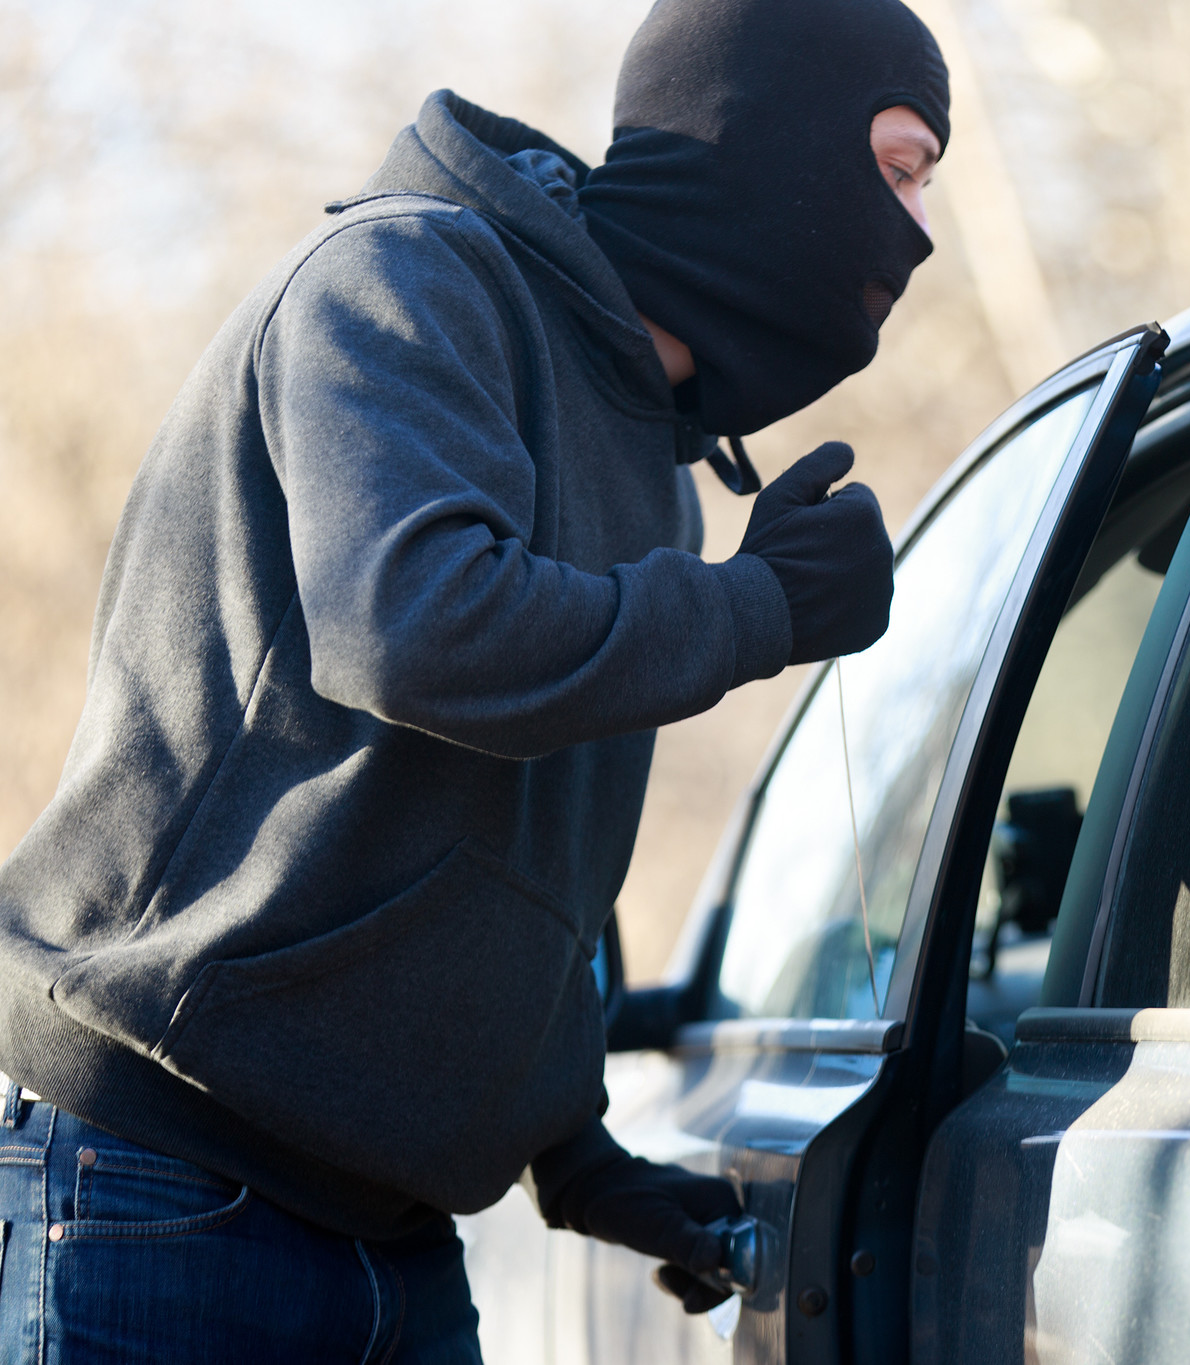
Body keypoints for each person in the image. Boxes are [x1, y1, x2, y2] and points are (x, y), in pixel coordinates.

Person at [0, 0, 948, 1358]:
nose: (913, 233)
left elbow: (524, 842)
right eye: (900, 169)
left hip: (397, 1236)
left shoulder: (656, 473)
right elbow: (415, 626)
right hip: (163, 1179)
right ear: (768, 140)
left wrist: (576, 1152)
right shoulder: (408, 282)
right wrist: (759, 607)